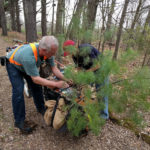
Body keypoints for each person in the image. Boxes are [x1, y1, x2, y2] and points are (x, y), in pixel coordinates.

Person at [6, 36, 69, 134]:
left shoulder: (48, 52)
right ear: (43, 50)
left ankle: (41, 108)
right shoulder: (28, 56)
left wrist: (66, 79)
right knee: (18, 92)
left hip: (27, 65)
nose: (54, 55)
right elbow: (35, 79)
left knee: (37, 87)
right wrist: (56, 84)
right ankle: (19, 121)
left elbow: (54, 69)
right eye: (52, 53)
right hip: (13, 65)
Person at [63, 40, 109, 119]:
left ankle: (104, 116)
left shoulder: (86, 49)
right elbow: (79, 68)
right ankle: (85, 106)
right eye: (68, 54)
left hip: (102, 69)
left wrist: (85, 73)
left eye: (69, 52)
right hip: (90, 72)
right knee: (83, 87)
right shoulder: (74, 56)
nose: (70, 55)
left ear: (74, 47)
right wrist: (76, 77)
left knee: (101, 92)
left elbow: (98, 64)